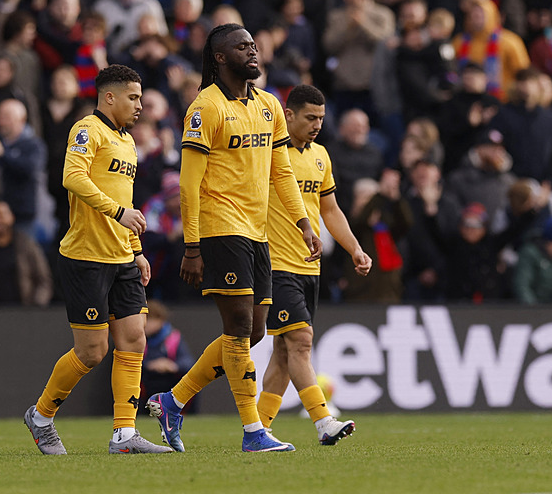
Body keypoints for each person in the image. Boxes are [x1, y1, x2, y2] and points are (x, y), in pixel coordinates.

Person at [146, 23, 322, 453]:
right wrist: (192, 245)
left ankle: (173, 400)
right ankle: (252, 431)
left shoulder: (269, 105)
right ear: (220, 57)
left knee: (256, 332)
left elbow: (281, 170)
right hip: (220, 227)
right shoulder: (204, 108)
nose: (254, 52)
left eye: (255, 46)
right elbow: (189, 183)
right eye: (243, 47)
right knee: (239, 327)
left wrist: (302, 222)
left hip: (259, 231)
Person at [23, 64, 172, 455]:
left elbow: (124, 200)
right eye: (133, 97)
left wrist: (136, 250)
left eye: (140, 97)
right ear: (109, 97)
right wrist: (119, 214)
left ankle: (124, 434)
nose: (140, 105)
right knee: (92, 351)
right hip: (86, 256)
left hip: (122, 256)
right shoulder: (86, 130)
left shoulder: (128, 142)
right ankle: (40, 416)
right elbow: (72, 178)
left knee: (134, 340)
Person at [255, 85, 371, 445]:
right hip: (276, 264)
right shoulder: (269, 153)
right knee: (301, 342)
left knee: (284, 354)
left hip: (310, 268)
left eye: (321, 118)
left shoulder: (321, 155)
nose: (317, 124)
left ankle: (256, 430)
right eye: (310, 117)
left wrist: (354, 248)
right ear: (288, 115)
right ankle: (323, 421)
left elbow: (330, 210)